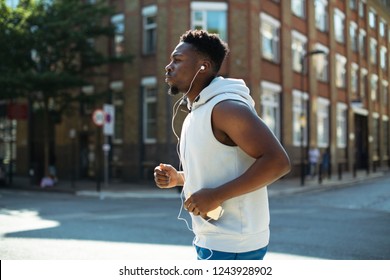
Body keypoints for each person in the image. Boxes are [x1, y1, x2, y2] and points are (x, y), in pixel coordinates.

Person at [154, 30, 290, 260]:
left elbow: (278, 162)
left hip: (234, 244)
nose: (168, 66)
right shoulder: (196, 112)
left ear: (203, 66)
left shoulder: (226, 108)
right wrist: (179, 178)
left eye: (177, 60)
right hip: (211, 240)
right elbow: (222, 168)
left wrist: (216, 195)